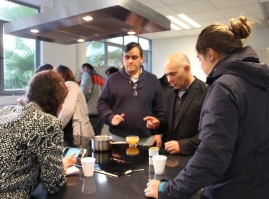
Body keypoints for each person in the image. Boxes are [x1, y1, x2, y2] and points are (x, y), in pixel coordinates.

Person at [145, 16, 269, 198]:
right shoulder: (260, 80)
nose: (201, 67)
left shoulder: (224, 87)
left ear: (210, 54)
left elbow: (212, 155)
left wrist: (168, 190)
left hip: (230, 189)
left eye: (200, 59)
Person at [0, 70, 77, 198]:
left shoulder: (2, 110)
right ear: (57, 101)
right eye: (62, 103)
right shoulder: (47, 122)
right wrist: (63, 164)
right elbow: (53, 184)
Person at [97, 42, 166, 147]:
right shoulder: (112, 79)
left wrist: (158, 131)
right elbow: (102, 104)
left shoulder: (152, 80)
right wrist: (111, 116)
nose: (130, 61)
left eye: (134, 57)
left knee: (145, 164)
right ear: (122, 59)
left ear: (142, 58)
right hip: (118, 139)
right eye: (127, 57)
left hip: (145, 140)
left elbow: (161, 110)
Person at [160, 52, 208, 155]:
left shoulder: (206, 92)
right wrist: (157, 125)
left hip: (193, 157)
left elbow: (208, 133)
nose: (169, 80)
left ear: (187, 69)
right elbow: (170, 123)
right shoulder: (169, 92)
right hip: (170, 157)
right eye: (167, 75)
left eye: (172, 74)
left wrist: (183, 145)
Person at [54, 65, 94, 148]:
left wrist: (54, 129)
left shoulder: (70, 85)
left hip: (79, 134)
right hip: (75, 133)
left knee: (78, 160)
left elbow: (68, 110)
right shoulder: (67, 87)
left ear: (61, 75)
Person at [80, 63, 105, 135]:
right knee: (97, 139)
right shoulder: (102, 77)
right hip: (101, 113)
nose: (82, 73)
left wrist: (81, 104)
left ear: (85, 68)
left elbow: (85, 91)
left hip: (91, 113)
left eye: (82, 71)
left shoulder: (87, 74)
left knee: (87, 138)